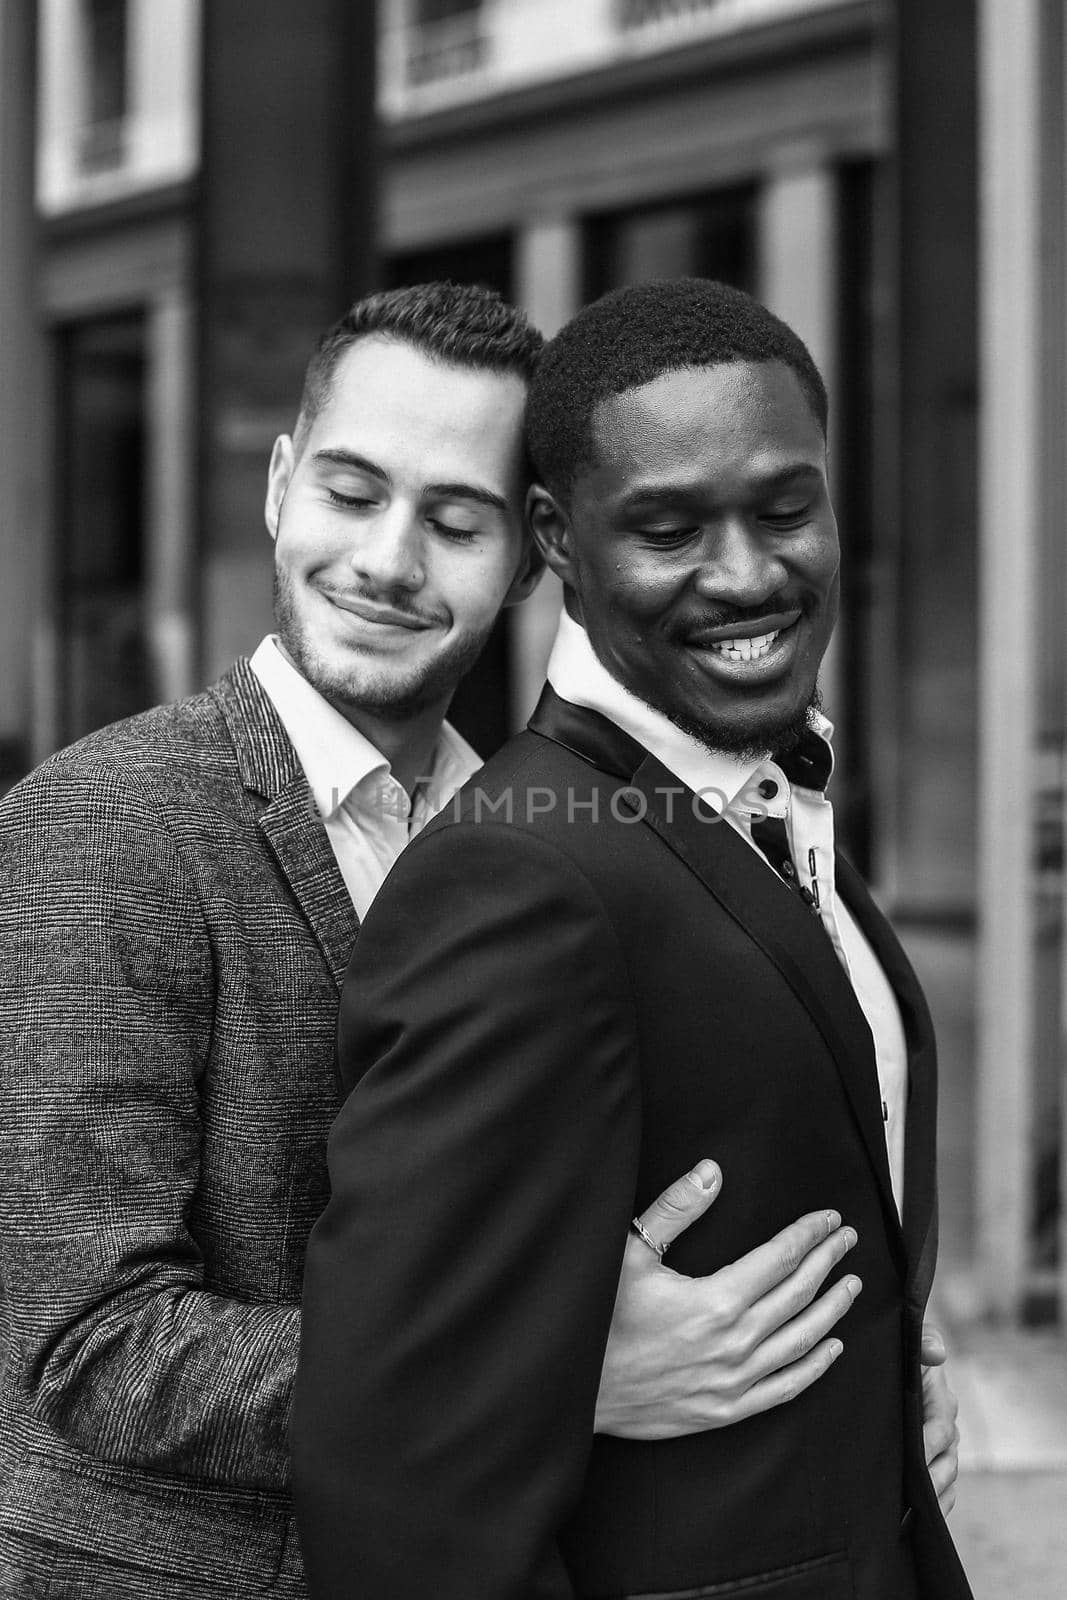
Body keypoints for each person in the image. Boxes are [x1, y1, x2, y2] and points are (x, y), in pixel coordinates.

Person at [0, 283, 897, 1600]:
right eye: (352, 494)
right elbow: (88, 1341)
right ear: (279, 484)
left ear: (538, 554)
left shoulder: (556, 833)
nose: (387, 562)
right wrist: (542, 1374)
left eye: (455, 520)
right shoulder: (102, 826)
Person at [291, 278, 973, 1600]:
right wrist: (559, 1370)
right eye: (668, 527)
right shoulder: (519, 874)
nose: (748, 572)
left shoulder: (768, 806)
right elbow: (405, 1486)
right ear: (557, 537)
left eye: (785, 509)